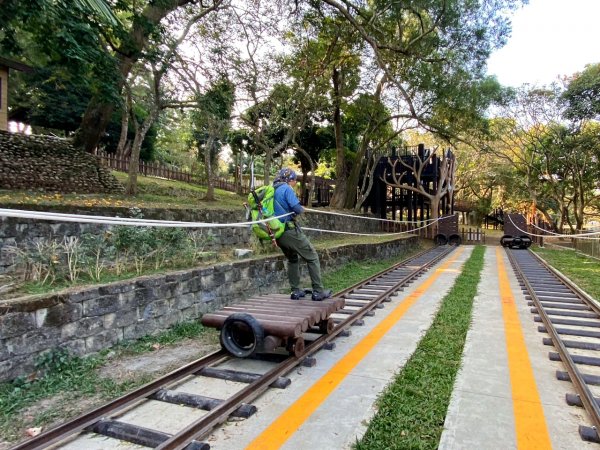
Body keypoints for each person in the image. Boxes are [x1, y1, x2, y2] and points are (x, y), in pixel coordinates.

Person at [272, 168, 332, 301]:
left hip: (277, 233)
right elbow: (296, 208)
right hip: (289, 231)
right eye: (294, 180)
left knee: (292, 259)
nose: (295, 183)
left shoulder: (273, 188)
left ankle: (295, 291)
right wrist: (301, 209)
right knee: (312, 256)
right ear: (290, 180)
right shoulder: (286, 189)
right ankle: (318, 291)